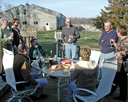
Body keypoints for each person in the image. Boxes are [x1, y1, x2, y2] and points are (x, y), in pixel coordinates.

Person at [109, 25, 128, 101]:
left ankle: (122, 96)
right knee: (117, 79)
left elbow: (126, 51)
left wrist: (120, 53)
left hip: (123, 63)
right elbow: (121, 48)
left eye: (117, 31)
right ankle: (111, 92)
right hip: (119, 62)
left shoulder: (126, 40)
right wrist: (115, 44)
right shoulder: (122, 39)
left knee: (122, 80)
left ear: (119, 32)